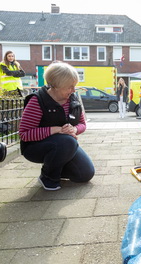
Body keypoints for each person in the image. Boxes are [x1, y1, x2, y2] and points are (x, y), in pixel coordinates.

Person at [19, 62, 95, 191]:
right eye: (69, 87)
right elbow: (25, 134)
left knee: (85, 174)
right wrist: (56, 130)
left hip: (66, 145)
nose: (73, 90)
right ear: (55, 86)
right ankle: (48, 176)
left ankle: (56, 166)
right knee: (67, 141)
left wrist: (74, 129)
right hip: (35, 147)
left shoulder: (73, 99)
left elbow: (82, 124)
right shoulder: (37, 101)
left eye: (74, 86)